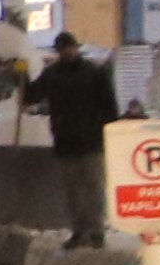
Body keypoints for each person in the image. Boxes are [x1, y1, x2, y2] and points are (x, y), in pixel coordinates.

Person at [30, 27, 121, 250]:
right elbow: (31, 95)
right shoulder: (52, 75)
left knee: (93, 189)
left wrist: (101, 130)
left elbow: (110, 108)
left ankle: (96, 232)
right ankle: (80, 231)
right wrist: (19, 75)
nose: (67, 52)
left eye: (69, 48)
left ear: (75, 48)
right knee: (74, 192)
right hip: (66, 142)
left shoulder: (94, 73)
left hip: (90, 142)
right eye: (63, 50)